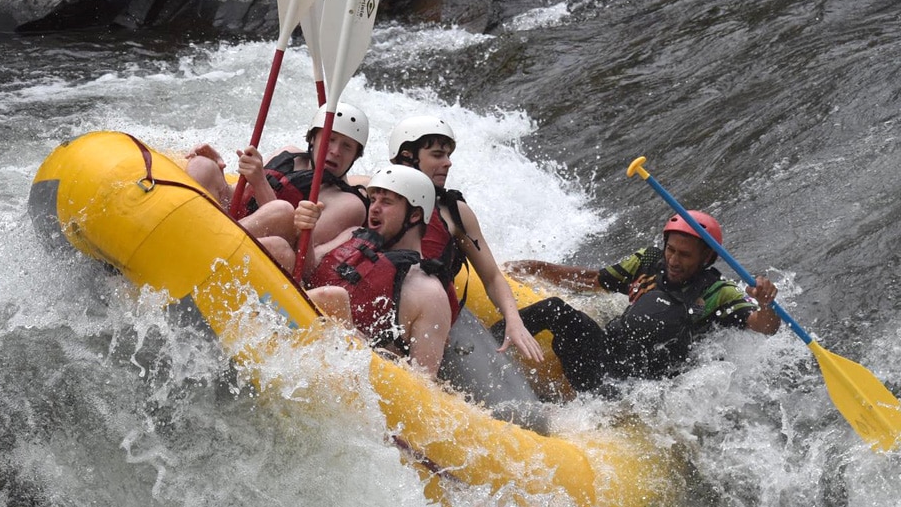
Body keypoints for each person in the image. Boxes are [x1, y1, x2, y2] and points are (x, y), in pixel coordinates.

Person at [505, 210, 782, 391]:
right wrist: (533, 268)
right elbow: (592, 281)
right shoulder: (648, 260)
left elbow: (764, 326)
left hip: (640, 388)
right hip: (604, 356)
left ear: (707, 258)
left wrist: (766, 303)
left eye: (684, 255)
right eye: (670, 250)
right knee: (555, 309)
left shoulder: (719, 292)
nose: (673, 260)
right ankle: (488, 343)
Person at [383, 116, 546, 364]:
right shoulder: (372, 196)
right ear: (407, 156)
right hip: (382, 304)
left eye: (448, 155)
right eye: (438, 155)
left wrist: (515, 322)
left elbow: (491, 277)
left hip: (431, 320)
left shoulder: (455, 213)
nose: (448, 163)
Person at [278, 165, 451, 378]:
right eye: (374, 200)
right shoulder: (353, 235)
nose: (374, 208)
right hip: (300, 333)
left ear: (414, 215)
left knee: (333, 298)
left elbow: (424, 383)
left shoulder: (429, 294)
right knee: (278, 247)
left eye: (386, 202)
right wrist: (306, 230)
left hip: (350, 375)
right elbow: (307, 273)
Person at [185, 102, 370, 247]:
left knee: (282, 211)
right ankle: (184, 229)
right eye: (330, 139)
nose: (336, 151)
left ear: (355, 155)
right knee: (203, 166)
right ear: (313, 138)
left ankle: (206, 242)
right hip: (233, 222)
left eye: (347, 146)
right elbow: (235, 196)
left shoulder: (349, 203)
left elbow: (299, 247)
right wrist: (218, 167)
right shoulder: (288, 154)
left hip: (264, 249)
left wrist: (259, 182)